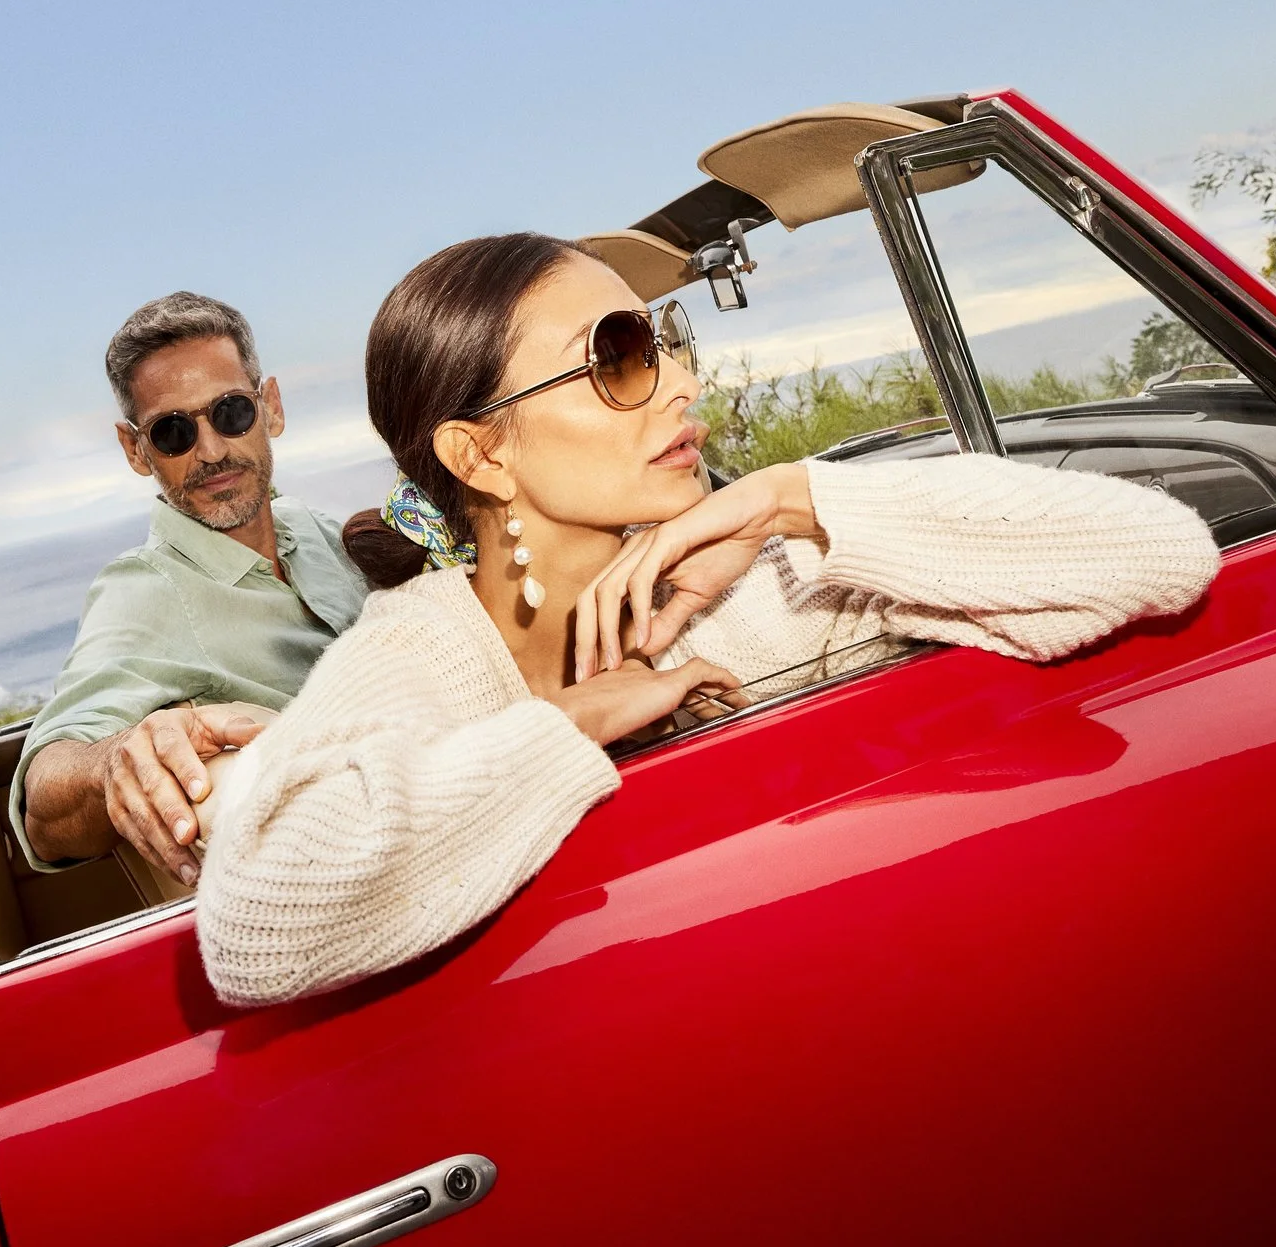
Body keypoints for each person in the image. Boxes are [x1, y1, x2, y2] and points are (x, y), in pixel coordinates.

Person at [194, 232, 1220, 1007]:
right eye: (619, 355)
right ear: (481, 455)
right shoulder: (418, 648)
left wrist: (788, 498)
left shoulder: (775, 581)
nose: (683, 381)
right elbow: (255, 930)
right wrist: (572, 720)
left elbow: (1160, 556)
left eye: (666, 340)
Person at [14, 292, 368, 888]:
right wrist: (118, 760)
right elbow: (44, 806)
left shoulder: (320, 531)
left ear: (271, 408)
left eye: (231, 412)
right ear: (136, 450)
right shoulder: (143, 591)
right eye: (173, 432)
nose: (210, 451)